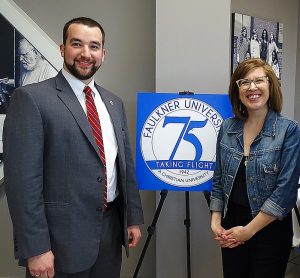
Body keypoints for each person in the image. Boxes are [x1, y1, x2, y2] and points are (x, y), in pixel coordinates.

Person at [4, 17, 144, 278]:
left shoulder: (113, 103)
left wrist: (132, 217)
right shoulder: (31, 99)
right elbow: (22, 183)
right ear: (62, 49)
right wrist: (36, 248)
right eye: (77, 44)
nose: (85, 53)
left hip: (110, 233)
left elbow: (123, 166)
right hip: (58, 243)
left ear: (103, 53)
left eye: (94, 46)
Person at [210, 58, 300, 278]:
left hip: (270, 230)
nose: (252, 88)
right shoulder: (227, 127)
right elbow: (219, 179)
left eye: (259, 80)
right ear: (237, 89)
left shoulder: (289, 130)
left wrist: (248, 232)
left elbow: (285, 193)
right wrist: (216, 222)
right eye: (244, 82)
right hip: (233, 227)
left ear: (270, 86)